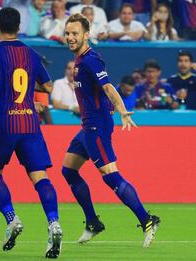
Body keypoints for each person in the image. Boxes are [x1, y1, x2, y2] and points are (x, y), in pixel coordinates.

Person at [61, 13, 160, 248]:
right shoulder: (80, 60)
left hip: (97, 128)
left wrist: (122, 110)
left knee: (111, 176)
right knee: (68, 171)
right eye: (68, 33)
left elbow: (107, 86)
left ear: (86, 35)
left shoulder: (90, 60)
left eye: (75, 33)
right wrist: (106, 107)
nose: (70, 37)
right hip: (87, 127)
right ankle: (93, 222)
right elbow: (98, 89)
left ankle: (147, 220)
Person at [0, 7, 62, 259]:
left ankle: (12, 219)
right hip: (29, 122)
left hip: (3, 121)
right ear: (19, 26)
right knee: (40, 176)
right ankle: (54, 222)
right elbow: (47, 86)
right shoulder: (31, 53)